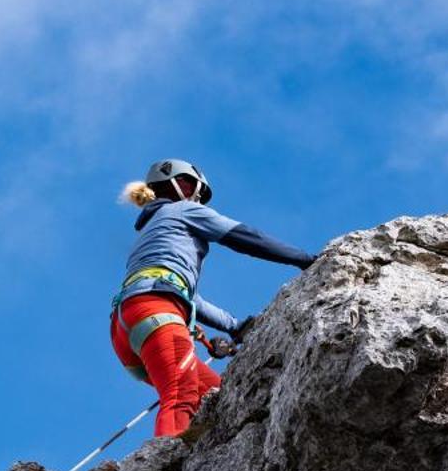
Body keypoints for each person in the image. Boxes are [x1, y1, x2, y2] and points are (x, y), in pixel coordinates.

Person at [111, 158, 318, 437]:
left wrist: (234, 326)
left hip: (129, 328)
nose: (200, 202)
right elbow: (243, 236)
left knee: (218, 398)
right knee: (180, 395)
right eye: (197, 191)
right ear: (183, 186)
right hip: (155, 311)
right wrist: (305, 260)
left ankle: (197, 459)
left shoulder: (152, 233)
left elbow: (188, 296)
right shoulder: (183, 210)